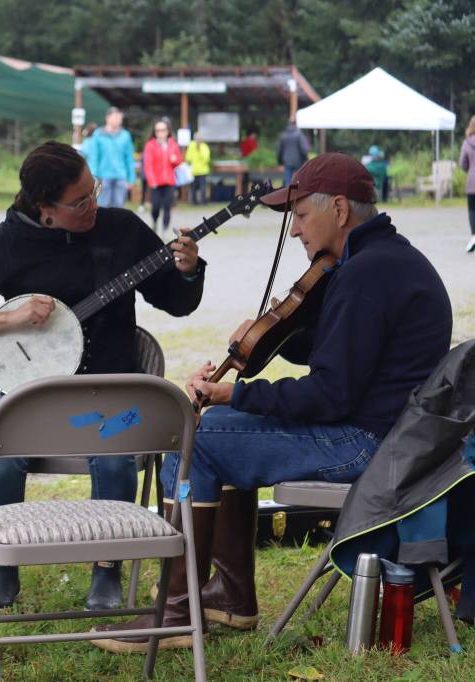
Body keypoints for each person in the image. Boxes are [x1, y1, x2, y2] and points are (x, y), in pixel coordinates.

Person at [91, 153, 452, 653]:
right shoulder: (384, 260)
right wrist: (269, 347)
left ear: (341, 210)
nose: (296, 232)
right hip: (391, 439)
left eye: (302, 216)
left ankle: (174, 613)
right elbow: (343, 353)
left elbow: (329, 395)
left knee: (197, 434)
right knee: (226, 427)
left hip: (365, 445)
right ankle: (231, 596)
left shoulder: (366, 274)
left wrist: (233, 391)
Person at [0, 141, 205, 611]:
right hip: (35, 396)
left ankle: (106, 570)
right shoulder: (6, 244)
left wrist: (189, 269)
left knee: (116, 461)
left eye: (92, 190)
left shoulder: (121, 230)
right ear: (44, 209)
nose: (92, 205)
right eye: (79, 201)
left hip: (112, 392)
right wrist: (8, 320)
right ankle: (0, 568)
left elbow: (178, 302)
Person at [84, 107, 136, 208]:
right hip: (103, 177)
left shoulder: (125, 135)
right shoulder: (98, 134)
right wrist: (93, 177)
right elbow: (94, 157)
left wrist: (131, 178)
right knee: (103, 207)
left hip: (121, 176)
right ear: (107, 118)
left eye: (120, 117)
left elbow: (129, 158)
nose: (118, 119)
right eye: (116, 117)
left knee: (118, 208)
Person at [143, 118, 183, 234]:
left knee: (167, 207)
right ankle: (155, 221)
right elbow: (148, 165)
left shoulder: (173, 144)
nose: (160, 133)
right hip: (156, 182)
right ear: (155, 132)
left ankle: (164, 230)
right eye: (158, 130)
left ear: (167, 131)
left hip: (169, 181)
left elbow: (178, 162)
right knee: (155, 206)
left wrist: (175, 160)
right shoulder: (150, 145)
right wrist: (152, 180)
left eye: (163, 130)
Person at [458, 115, 475, 253]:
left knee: (472, 210)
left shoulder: (467, 143)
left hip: (472, 183)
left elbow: (462, 163)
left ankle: (474, 236)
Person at [277, 118, 310, 187]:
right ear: (295, 124)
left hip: (287, 161)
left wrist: (280, 162)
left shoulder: (283, 135)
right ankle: (297, 196)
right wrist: (306, 159)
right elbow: (304, 149)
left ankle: (287, 196)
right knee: (298, 181)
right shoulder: (299, 134)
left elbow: (280, 150)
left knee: (287, 182)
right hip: (298, 161)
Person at [184, 131, 211, 205]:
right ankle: (193, 202)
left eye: (199, 138)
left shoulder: (204, 146)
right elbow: (188, 158)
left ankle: (203, 202)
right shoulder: (191, 145)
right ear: (194, 138)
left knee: (203, 188)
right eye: (196, 138)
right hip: (193, 171)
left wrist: (199, 150)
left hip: (203, 171)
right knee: (193, 188)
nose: (198, 140)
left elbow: (207, 159)